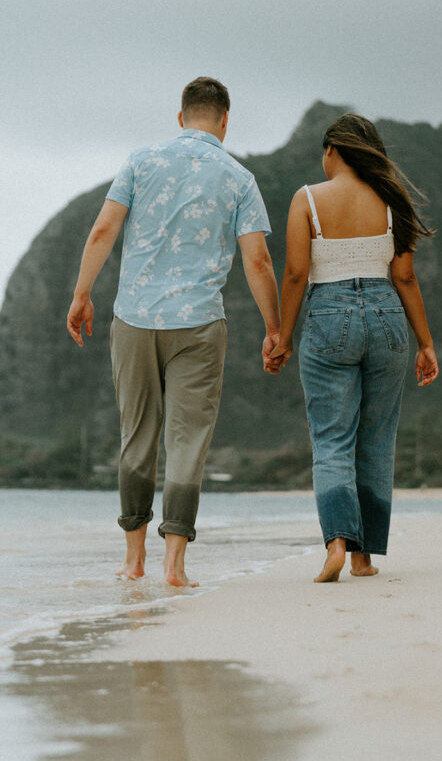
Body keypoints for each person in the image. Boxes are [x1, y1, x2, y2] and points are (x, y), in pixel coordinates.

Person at [67, 77, 280, 587]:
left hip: (134, 319)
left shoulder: (141, 161)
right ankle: (176, 567)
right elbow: (258, 259)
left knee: (136, 436)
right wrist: (276, 328)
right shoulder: (239, 177)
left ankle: (133, 560)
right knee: (188, 442)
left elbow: (103, 230)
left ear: (181, 116)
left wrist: (81, 295)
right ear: (225, 121)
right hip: (200, 325)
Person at [267, 113, 438, 583]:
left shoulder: (307, 200)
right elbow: (404, 276)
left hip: (327, 316)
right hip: (387, 317)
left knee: (332, 438)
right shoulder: (391, 199)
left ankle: (337, 544)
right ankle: (364, 558)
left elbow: (297, 274)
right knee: (377, 440)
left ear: (332, 150)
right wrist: (425, 343)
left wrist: (283, 336)